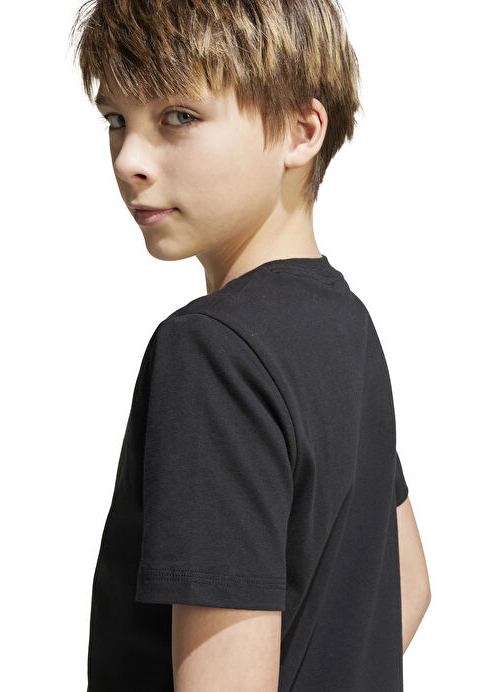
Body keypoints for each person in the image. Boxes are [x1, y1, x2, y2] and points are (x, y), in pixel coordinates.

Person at [69, 1, 431, 689]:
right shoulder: (347, 325)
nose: (129, 160)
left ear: (300, 131)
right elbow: (405, 586)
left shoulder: (212, 353)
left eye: (178, 116)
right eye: (116, 119)